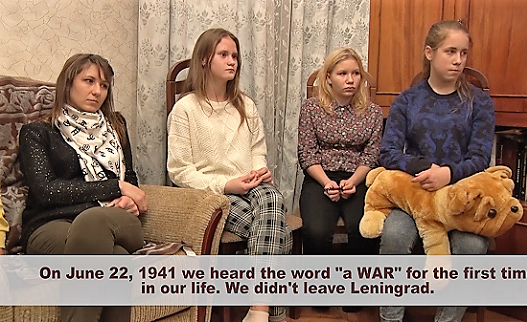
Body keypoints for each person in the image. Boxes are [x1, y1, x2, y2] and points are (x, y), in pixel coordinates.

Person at [167, 28, 292, 322]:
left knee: (272, 198)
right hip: (211, 193)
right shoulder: (185, 109)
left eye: (235, 55)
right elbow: (179, 171)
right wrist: (226, 184)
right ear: (204, 60)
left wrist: (259, 170)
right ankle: (272, 311)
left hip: (250, 185)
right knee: (278, 229)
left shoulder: (246, 105)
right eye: (224, 54)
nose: (232, 61)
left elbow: (258, 149)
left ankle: (258, 307)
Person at [378, 20, 495, 322]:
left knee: (472, 246)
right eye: (450, 51)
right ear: (430, 53)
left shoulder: (479, 102)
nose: (458, 60)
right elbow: (388, 153)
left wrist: (448, 174)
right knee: (394, 235)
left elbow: (481, 157)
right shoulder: (407, 100)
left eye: (464, 53)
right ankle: (390, 317)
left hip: (462, 197)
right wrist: (422, 168)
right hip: (415, 195)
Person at [19, 53, 147, 322]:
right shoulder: (38, 132)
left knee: (96, 220)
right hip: (50, 225)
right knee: (118, 258)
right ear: (68, 83)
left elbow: (130, 178)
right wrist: (116, 187)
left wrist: (128, 200)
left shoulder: (117, 127)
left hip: (118, 220)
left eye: (104, 85)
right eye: (89, 81)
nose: (96, 91)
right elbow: (47, 191)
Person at [297, 47, 382, 257]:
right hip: (320, 178)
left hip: (358, 179)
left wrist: (353, 181)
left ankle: (357, 284)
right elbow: (306, 153)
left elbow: (371, 155)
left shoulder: (373, 112)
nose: (350, 79)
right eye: (343, 74)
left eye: (355, 73)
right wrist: (327, 183)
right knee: (316, 232)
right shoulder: (311, 108)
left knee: (365, 230)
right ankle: (317, 283)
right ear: (328, 78)